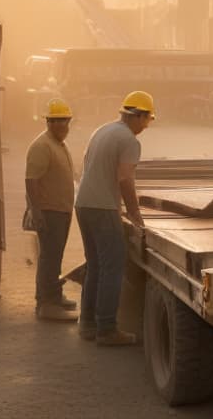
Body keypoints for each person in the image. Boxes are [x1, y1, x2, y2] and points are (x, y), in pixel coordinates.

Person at [75, 91, 154, 346]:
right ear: (138, 116)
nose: (146, 125)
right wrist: (135, 213)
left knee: (95, 264)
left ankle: (87, 324)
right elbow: (125, 179)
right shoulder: (129, 140)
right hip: (102, 207)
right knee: (113, 266)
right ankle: (107, 330)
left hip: (83, 204)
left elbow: (87, 166)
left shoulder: (102, 130)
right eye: (147, 119)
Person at [25, 98, 77, 321]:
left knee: (55, 257)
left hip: (61, 210)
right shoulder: (42, 146)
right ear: (48, 123)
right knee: (49, 258)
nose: (62, 126)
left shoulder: (58, 144)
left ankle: (55, 296)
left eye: (65, 122)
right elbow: (31, 181)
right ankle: (46, 304)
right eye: (57, 122)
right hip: (49, 211)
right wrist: (36, 212)